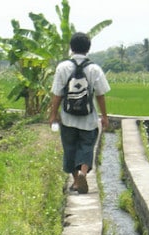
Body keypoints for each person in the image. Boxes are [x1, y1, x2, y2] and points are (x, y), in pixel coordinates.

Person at [49, 32, 110, 194]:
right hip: (88, 119)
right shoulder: (94, 69)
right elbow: (100, 95)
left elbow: (57, 94)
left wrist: (53, 115)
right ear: (88, 49)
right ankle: (83, 172)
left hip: (68, 118)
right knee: (87, 146)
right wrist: (104, 116)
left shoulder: (62, 67)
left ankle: (76, 181)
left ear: (71, 47)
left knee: (70, 148)